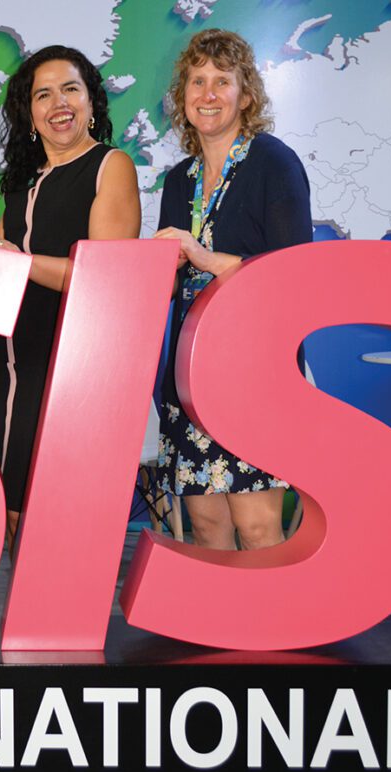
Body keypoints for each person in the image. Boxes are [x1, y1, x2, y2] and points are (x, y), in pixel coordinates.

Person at [0, 45, 141, 549]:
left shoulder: (110, 165)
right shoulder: (19, 181)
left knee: (43, 515)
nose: (59, 103)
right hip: (5, 361)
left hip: (65, 362)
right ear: (29, 114)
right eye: (43, 95)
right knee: (1, 505)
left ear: (91, 100)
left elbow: (104, 281)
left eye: (70, 88)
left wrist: (16, 262)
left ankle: (58, 603)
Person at [153, 29, 312, 550]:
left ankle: (271, 610)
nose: (208, 93)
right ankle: (219, 610)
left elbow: (293, 275)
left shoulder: (273, 162)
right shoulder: (179, 180)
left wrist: (203, 257)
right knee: (207, 525)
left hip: (256, 371)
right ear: (182, 97)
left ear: (246, 96)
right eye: (197, 81)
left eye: (222, 81)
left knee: (257, 525)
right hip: (191, 373)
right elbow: (172, 285)